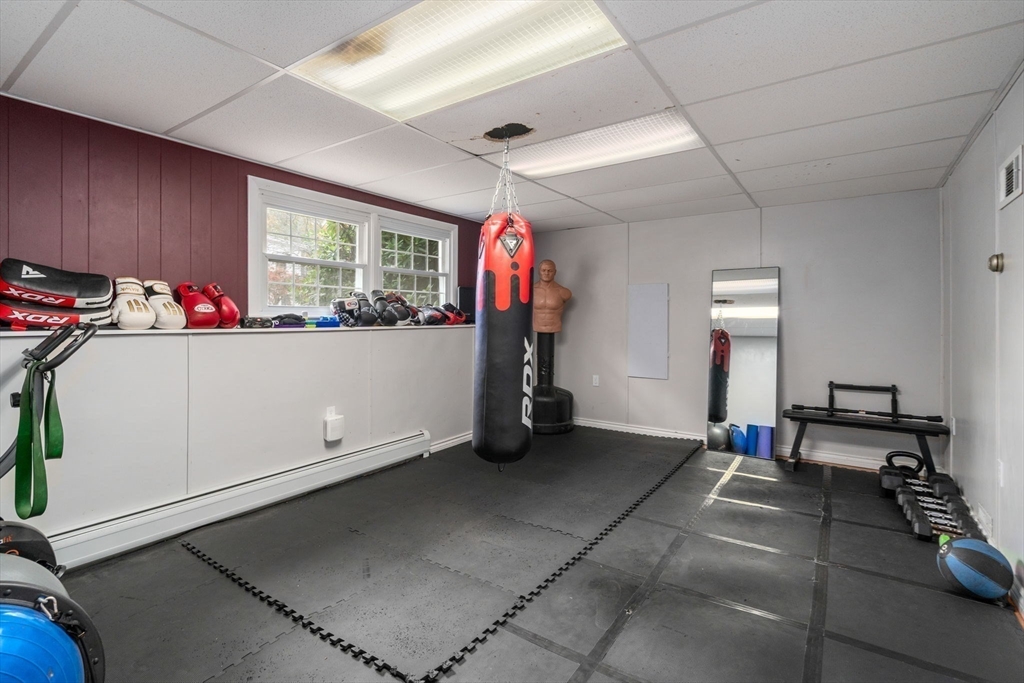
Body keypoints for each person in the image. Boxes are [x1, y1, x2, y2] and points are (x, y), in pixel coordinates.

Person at [533, 259, 572, 333]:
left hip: (555, 327)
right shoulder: (531, 291)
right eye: (543, 270)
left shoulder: (563, 292)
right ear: (539, 271)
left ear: (555, 272)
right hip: (536, 326)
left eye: (550, 271)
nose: (546, 273)